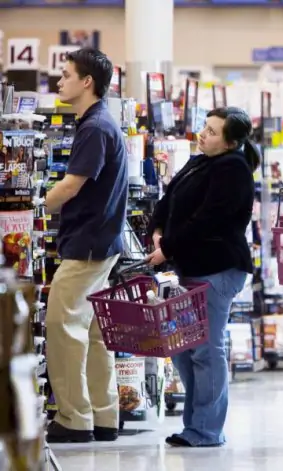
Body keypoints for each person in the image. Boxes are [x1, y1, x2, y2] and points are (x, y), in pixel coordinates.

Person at [146, 107, 258, 447]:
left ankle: (206, 429)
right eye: (204, 127)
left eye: (211, 131)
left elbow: (209, 218)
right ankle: (194, 425)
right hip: (189, 268)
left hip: (217, 268)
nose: (203, 135)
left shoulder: (233, 169)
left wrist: (167, 247)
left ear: (231, 141)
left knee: (206, 350)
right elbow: (170, 197)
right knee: (183, 349)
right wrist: (157, 231)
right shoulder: (201, 160)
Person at [44, 48, 128, 444]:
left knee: (63, 328)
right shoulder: (101, 123)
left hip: (87, 246)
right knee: (93, 333)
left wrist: (34, 204)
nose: (59, 82)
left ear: (86, 82)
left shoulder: (95, 128)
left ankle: (74, 420)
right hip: (102, 243)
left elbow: (72, 184)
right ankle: (103, 413)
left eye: (65, 75)